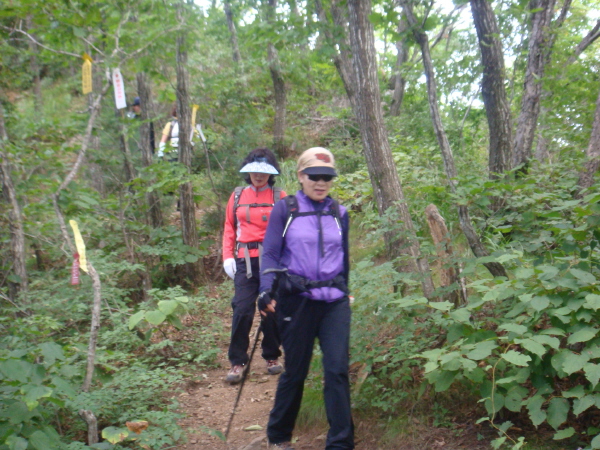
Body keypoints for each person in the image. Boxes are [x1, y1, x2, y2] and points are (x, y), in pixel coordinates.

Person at [258, 147, 353, 450]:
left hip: (334, 303)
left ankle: (340, 443)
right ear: (301, 176)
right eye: (314, 176)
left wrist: (346, 289)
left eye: (327, 176)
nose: (321, 182)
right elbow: (271, 252)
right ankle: (278, 436)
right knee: (296, 371)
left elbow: (344, 257)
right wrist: (266, 289)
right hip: (296, 300)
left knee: (336, 370)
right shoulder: (286, 210)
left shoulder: (340, 213)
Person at [222, 148, 287, 384]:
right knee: (241, 308)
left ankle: (271, 356)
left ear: (271, 173)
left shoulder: (280, 196)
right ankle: (237, 361)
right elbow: (230, 227)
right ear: (247, 172)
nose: (258, 176)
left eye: (263, 172)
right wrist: (227, 256)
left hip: (272, 260)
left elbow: (288, 231)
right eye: (253, 172)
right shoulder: (237, 196)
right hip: (244, 260)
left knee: (270, 308)